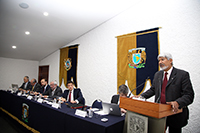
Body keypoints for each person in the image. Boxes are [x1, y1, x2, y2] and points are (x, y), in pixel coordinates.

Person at [135, 53, 194, 133]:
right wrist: (141, 97)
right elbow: (153, 89)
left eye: (162, 59)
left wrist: (178, 102)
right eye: (159, 60)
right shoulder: (157, 75)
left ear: (170, 61)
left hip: (175, 113)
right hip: (159, 112)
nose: (160, 62)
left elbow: (189, 95)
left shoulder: (182, 75)